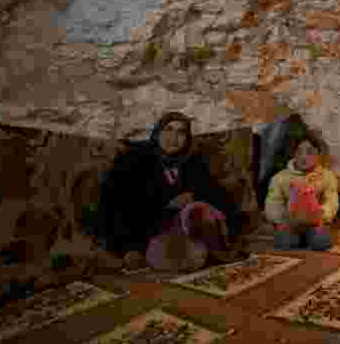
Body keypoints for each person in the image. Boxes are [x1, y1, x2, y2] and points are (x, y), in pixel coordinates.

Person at [97, 111, 243, 272]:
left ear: (187, 139)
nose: (173, 137)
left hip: (188, 231)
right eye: (168, 129)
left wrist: (193, 196)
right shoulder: (133, 159)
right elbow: (112, 205)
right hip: (147, 236)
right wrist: (127, 248)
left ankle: (217, 252)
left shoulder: (192, 163)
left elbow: (220, 197)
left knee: (197, 210)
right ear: (158, 132)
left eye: (181, 132)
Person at [264, 136, 339, 251]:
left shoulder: (327, 176)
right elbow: (273, 202)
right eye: (299, 152)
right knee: (284, 243)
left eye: (310, 152)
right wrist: (282, 219)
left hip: (315, 224)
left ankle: (310, 238)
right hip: (289, 224)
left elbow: (332, 200)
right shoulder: (279, 178)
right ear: (293, 154)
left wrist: (323, 214)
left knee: (321, 242)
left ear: (318, 154)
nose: (304, 157)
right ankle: (297, 239)